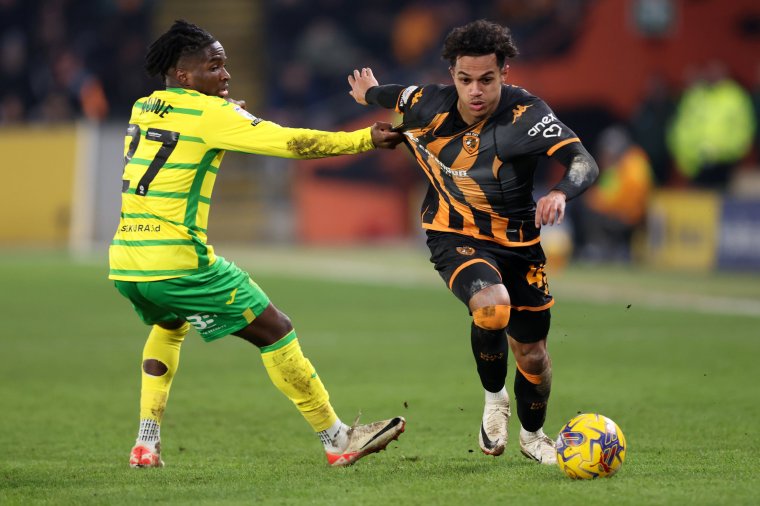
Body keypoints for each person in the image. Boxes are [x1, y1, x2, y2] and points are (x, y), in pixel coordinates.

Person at [110, 20, 406, 469]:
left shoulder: (144, 106)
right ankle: (337, 438)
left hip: (127, 262)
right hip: (179, 262)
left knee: (170, 326)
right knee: (276, 328)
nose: (226, 75)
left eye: (226, 65)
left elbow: (189, 128)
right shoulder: (215, 115)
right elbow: (290, 142)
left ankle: (145, 442)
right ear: (185, 74)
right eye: (215, 66)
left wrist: (226, 116)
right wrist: (363, 138)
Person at [348, 19, 598, 464]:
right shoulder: (427, 103)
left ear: (505, 73)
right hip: (453, 233)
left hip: (520, 245)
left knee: (534, 357)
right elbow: (391, 95)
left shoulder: (528, 115)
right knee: (491, 305)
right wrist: (368, 93)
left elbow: (582, 161)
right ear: (453, 77)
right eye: (465, 80)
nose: (476, 91)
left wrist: (561, 191)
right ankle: (494, 398)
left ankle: (533, 435)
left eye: (487, 79)